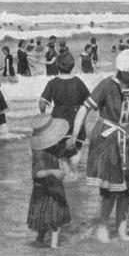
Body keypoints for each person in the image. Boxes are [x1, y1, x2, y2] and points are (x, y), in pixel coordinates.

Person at [68, 49, 129, 243]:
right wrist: (74, 135)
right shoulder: (106, 85)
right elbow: (84, 109)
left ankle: (122, 229)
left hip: (128, 139)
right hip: (106, 139)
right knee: (110, 190)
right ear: (121, 71)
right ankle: (102, 227)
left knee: (127, 189)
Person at [40, 51, 90, 179]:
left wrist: (43, 114)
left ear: (57, 66)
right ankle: (73, 173)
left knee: (61, 153)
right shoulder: (78, 82)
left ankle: (67, 174)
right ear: (72, 66)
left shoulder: (53, 83)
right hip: (75, 119)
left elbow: (42, 103)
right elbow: (89, 102)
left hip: (58, 120)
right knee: (77, 148)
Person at [27, 114, 72, 249]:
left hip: (49, 186)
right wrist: (53, 172)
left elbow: (61, 153)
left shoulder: (51, 145)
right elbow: (36, 173)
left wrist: (66, 161)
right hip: (46, 187)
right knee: (55, 219)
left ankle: (40, 240)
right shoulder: (39, 153)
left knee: (44, 218)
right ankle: (54, 247)